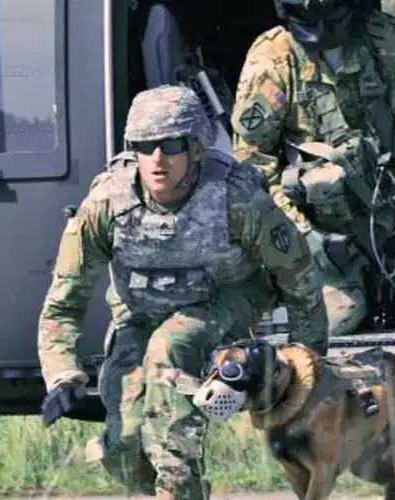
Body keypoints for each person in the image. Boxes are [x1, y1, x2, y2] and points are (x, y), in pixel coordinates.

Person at [36, 84, 329, 500]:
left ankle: (180, 486)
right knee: (124, 443)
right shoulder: (104, 206)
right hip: (139, 310)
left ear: (195, 149)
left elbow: (298, 277)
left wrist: (309, 369)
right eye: (145, 145)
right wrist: (62, 375)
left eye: (170, 144)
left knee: (168, 352)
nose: (157, 159)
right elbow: (64, 301)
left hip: (227, 297)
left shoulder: (236, 200)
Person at [229, 0, 395, 336]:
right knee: (333, 324)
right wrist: (299, 233)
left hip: (394, 214)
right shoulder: (273, 57)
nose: (322, 28)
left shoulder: (387, 39)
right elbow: (251, 160)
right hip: (319, 232)